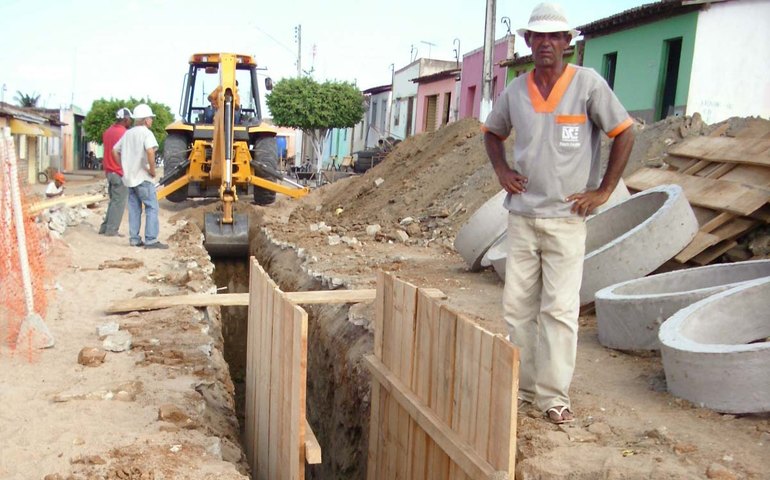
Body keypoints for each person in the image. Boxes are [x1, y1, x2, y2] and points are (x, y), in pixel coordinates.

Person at [482, 2, 635, 424]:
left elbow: (623, 132)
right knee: (517, 309)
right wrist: (502, 170)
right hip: (523, 217)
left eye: (555, 37)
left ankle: (553, 396)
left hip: (567, 220)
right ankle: (526, 389)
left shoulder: (587, 84)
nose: (546, 43)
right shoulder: (515, 90)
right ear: (528, 42)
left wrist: (603, 190)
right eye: (538, 37)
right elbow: (492, 133)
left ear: (568, 43)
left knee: (559, 310)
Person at [113, 103, 168, 249]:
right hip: (143, 178)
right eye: (150, 118)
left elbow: (114, 150)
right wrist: (152, 170)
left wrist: (123, 167)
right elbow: (150, 151)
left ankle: (134, 239)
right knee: (152, 207)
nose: (152, 120)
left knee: (135, 208)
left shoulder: (128, 133)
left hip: (130, 179)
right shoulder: (146, 133)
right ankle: (151, 240)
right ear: (145, 119)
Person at [98, 107, 132, 237]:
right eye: (129, 119)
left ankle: (105, 227)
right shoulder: (125, 134)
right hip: (119, 172)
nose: (130, 122)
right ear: (125, 119)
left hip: (109, 172)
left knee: (113, 201)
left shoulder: (107, 132)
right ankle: (112, 230)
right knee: (119, 203)